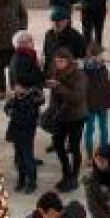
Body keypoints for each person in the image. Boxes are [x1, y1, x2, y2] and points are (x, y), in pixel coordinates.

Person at [7, 31, 45, 193]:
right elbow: (31, 78)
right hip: (24, 113)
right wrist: (40, 73)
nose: (32, 42)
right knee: (25, 152)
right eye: (30, 40)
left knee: (22, 151)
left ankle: (23, 180)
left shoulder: (23, 56)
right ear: (22, 43)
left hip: (23, 114)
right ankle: (29, 181)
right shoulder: (23, 58)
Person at [47, 48, 88, 193]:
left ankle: (74, 177)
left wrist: (59, 87)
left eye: (61, 61)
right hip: (61, 116)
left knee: (74, 147)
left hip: (76, 116)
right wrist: (49, 111)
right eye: (56, 62)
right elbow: (54, 97)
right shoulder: (56, 73)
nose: (58, 64)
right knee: (58, 144)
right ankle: (66, 172)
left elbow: (76, 97)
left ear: (69, 60)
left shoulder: (79, 75)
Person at [81, 42, 110, 155]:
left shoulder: (102, 67)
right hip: (90, 105)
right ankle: (90, 154)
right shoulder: (85, 70)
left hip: (102, 104)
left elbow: (107, 84)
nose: (102, 57)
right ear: (93, 56)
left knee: (103, 128)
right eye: (100, 54)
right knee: (90, 130)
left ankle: (104, 152)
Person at [45, 6, 89, 77]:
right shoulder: (49, 35)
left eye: (59, 21)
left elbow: (82, 57)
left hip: (70, 74)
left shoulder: (76, 36)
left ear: (66, 21)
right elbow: (46, 55)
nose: (56, 24)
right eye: (54, 21)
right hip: (53, 72)